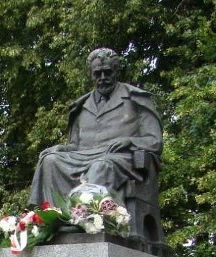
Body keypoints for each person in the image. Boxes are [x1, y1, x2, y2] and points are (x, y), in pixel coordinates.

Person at [28, 48, 162, 218]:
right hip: (83, 156)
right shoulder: (82, 106)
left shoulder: (136, 99)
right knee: (50, 160)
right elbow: (76, 145)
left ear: (116, 71)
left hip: (120, 158)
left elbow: (155, 141)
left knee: (101, 166)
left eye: (107, 72)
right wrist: (62, 148)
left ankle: (86, 219)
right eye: (97, 73)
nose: (103, 78)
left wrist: (130, 141)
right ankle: (56, 218)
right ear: (91, 74)